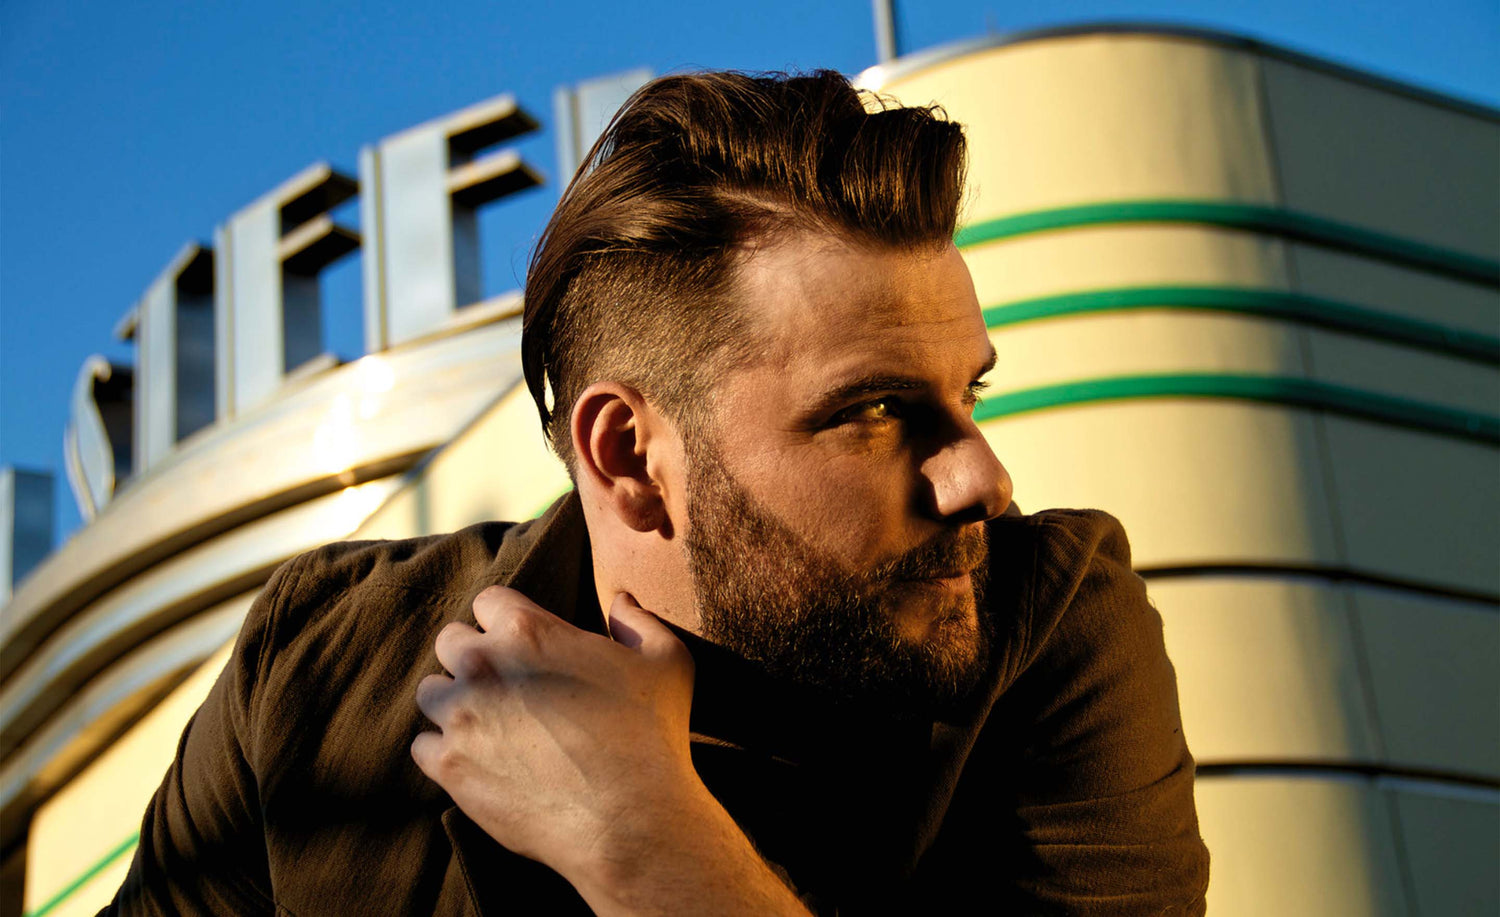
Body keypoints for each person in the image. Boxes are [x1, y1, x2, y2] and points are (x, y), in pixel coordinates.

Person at [105, 70, 1209, 915]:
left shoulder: (1049, 631)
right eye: (872, 411)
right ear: (629, 455)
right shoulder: (319, 674)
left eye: (969, 394)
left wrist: (649, 842)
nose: (982, 476)